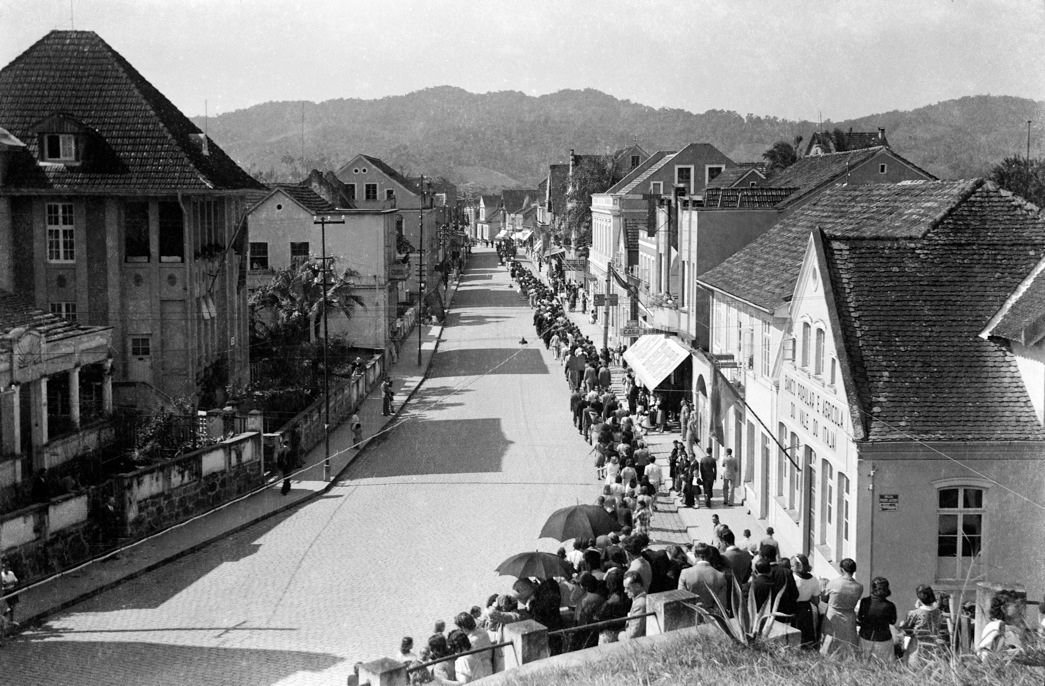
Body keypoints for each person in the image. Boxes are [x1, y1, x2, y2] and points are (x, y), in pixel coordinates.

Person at [820, 558, 864, 657]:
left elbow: (823, 598)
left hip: (833, 614)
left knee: (830, 640)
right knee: (848, 643)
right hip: (849, 616)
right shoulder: (859, 586)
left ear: (842, 570)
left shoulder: (833, 583)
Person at [900, 584, 946, 664]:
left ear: (919, 598)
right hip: (933, 649)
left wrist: (904, 647)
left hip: (917, 648)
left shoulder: (914, 613)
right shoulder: (938, 612)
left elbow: (908, 631)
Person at [678, 543, 727, 614]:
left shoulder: (685, 573)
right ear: (709, 555)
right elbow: (721, 604)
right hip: (711, 616)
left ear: (695, 555)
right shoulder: (720, 576)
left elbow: (681, 598)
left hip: (690, 614)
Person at [857, 576, 898, 662]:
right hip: (883, 639)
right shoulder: (890, 605)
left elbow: (860, 618)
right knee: (884, 667)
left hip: (866, 637)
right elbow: (892, 621)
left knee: (864, 664)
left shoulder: (864, 602)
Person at [790, 554, 820, 649]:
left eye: (792, 566)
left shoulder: (793, 578)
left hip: (794, 607)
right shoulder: (814, 579)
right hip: (806, 608)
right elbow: (816, 600)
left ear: (799, 566)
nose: (791, 568)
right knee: (807, 633)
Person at [454, 612, 493, 677]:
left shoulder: (471, 641)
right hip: (488, 666)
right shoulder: (482, 631)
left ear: (463, 628)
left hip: (483, 674)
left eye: (459, 629)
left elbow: (466, 660)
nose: (459, 631)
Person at [620, 571, 648, 640]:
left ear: (638, 586)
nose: (625, 591)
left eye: (628, 588)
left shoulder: (640, 604)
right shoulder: (638, 600)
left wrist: (620, 635)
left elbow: (633, 635)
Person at [1, 558, 18, 630]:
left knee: (13, 606)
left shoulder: (11, 573)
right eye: (5, 567)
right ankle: (8, 620)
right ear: (3, 568)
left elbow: (16, 581)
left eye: (7, 567)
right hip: (7, 592)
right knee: (10, 607)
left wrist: (9, 583)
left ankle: (9, 619)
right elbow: (4, 585)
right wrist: (11, 583)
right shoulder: (1, 575)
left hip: (13, 590)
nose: (6, 568)